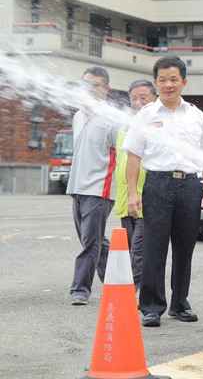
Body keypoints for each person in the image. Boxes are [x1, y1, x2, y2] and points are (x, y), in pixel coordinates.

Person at [123, 56, 203, 327]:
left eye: (173, 79)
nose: (168, 84)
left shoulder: (196, 115)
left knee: (185, 246)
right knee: (154, 247)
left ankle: (180, 303)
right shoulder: (146, 115)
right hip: (157, 184)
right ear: (155, 83)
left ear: (184, 82)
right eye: (162, 80)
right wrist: (133, 193)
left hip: (189, 185)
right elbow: (133, 157)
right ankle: (152, 306)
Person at [67, 66, 118, 306]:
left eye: (96, 84)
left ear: (106, 89)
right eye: (86, 84)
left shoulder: (113, 118)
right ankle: (117, 282)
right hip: (77, 187)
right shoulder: (78, 115)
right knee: (94, 239)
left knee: (90, 241)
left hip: (99, 189)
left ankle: (80, 290)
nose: (90, 88)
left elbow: (122, 156)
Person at [114, 79, 157, 290]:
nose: (137, 103)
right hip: (126, 199)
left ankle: (135, 291)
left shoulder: (157, 125)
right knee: (130, 247)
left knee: (139, 249)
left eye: (143, 97)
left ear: (155, 99)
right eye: (133, 98)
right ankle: (133, 289)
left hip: (145, 198)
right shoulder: (125, 125)